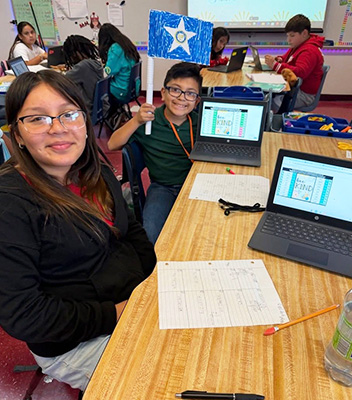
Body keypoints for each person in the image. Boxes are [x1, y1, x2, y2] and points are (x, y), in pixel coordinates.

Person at [0, 70, 156, 391]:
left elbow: (131, 231)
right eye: (38, 119)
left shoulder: (90, 170)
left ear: (85, 121)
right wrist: (116, 314)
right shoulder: (10, 204)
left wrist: (154, 284)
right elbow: (24, 314)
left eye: (69, 114)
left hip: (131, 301)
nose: (58, 129)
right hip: (75, 341)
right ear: (16, 135)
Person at [108, 62, 202, 244]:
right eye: (175, 90)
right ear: (163, 92)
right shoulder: (148, 122)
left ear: (197, 100)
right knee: (151, 237)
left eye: (190, 93)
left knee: (198, 235)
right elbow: (112, 144)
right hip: (163, 187)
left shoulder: (202, 123)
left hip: (195, 187)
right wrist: (136, 120)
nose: (182, 98)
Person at [264, 14, 324, 112]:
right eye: (288, 36)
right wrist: (279, 60)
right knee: (269, 96)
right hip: (294, 89)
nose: (288, 40)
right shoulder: (299, 45)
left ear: (304, 33)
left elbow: (301, 72)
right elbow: (287, 59)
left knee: (271, 101)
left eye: (292, 36)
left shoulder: (309, 51)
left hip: (303, 94)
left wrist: (276, 65)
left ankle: (274, 123)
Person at [98, 23, 140, 102]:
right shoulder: (125, 43)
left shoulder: (115, 48)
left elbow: (108, 72)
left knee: (95, 87)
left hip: (121, 90)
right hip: (133, 88)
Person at [63, 34, 104, 114]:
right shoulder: (95, 63)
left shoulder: (83, 66)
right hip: (100, 107)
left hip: (89, 110)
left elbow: (63, 81)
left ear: (74, 53)